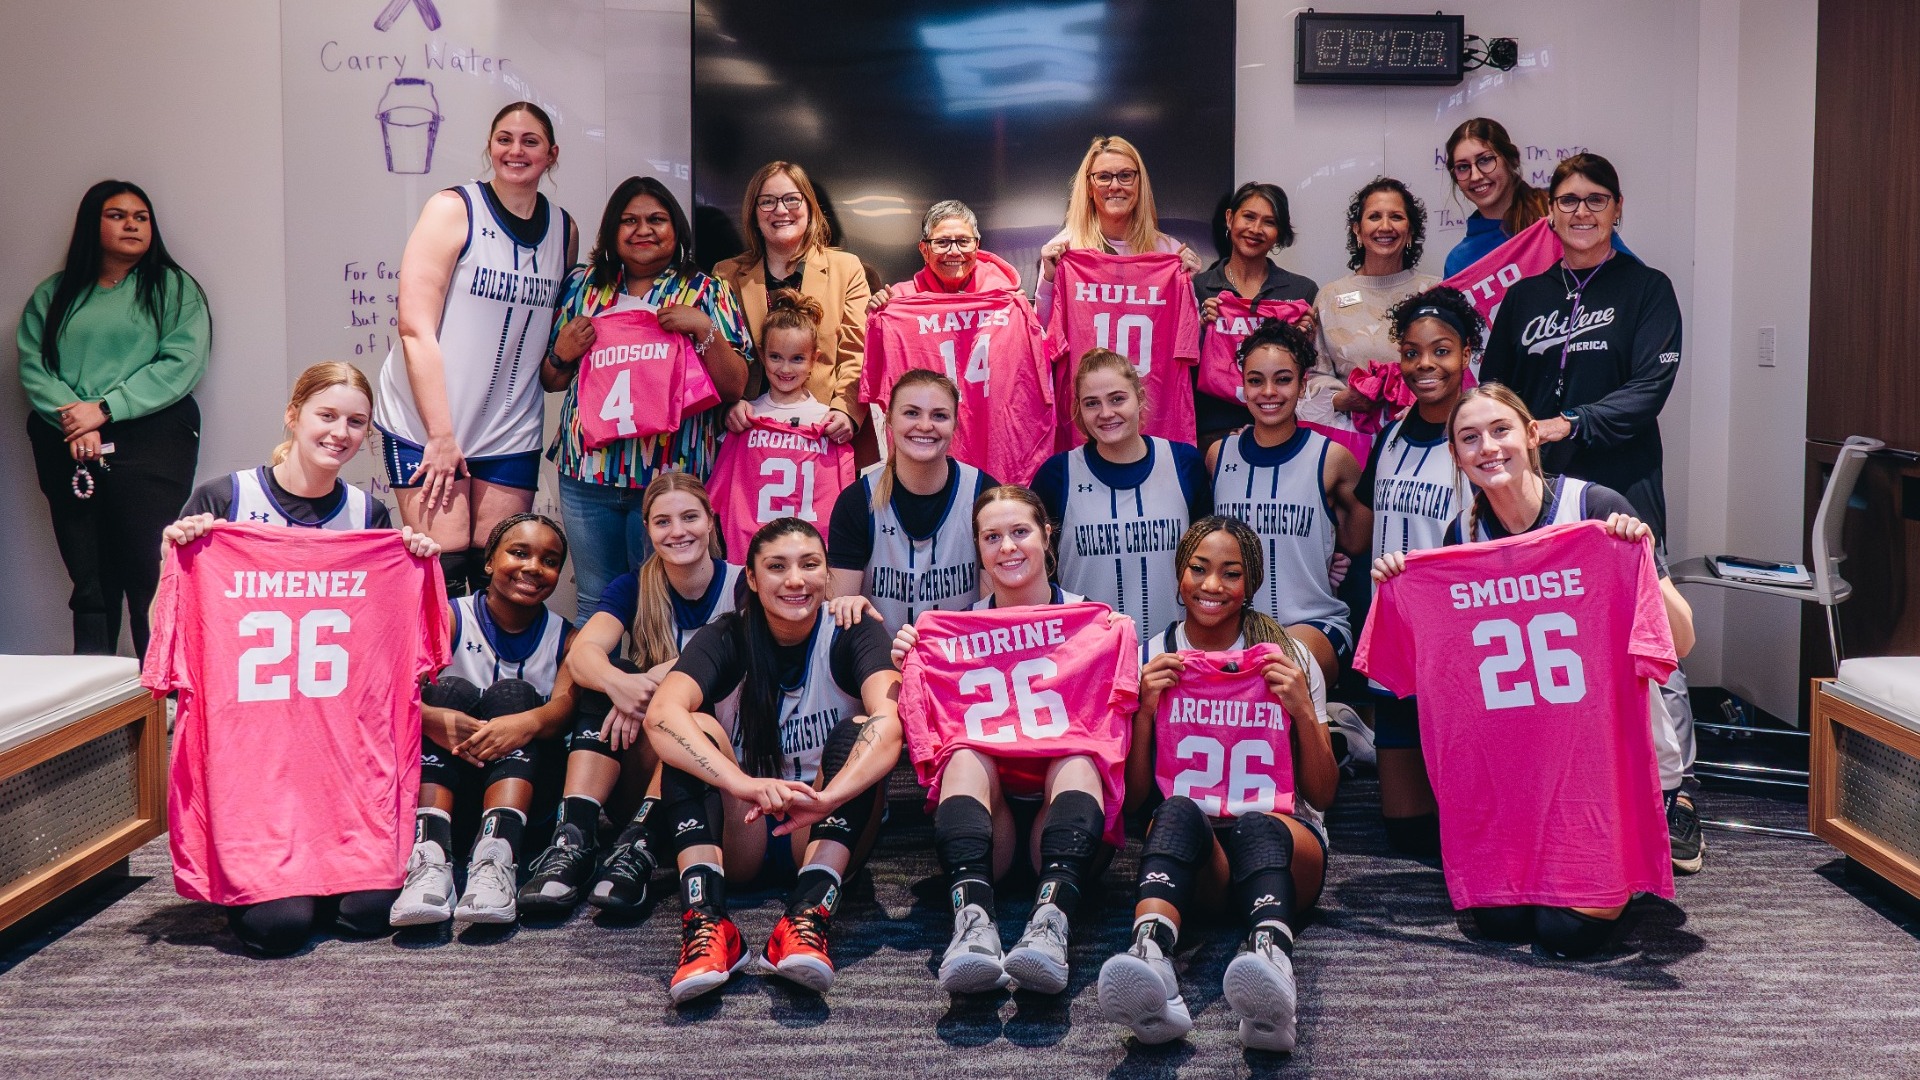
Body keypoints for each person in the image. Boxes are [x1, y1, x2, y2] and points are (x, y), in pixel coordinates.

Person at [1369, 385, 1693, 958]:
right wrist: (1402, 584)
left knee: (1566, 934)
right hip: (1517, 764)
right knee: (1501, 924)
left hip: (1601, 756)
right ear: (1456, 456)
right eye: (1469, 438)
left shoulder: (1595, 509)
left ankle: (1641, 838)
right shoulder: (1461, 537)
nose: (1488, 447)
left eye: (1501, 430)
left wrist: (1638, 555)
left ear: (1532, 434)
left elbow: (1682, 639)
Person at [164, 362, 441, 956]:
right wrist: (180, 549)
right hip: (253, 752)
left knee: (368, 915)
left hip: (338, 749)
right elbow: (180, 611)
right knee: (280, 929)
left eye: (356, 422)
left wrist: (412, 559)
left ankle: (322, 865)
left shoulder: (367, 516)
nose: (340, 432)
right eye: (327, 415)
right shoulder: (225, 499)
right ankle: (273, 873)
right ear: (293, 416)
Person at [1476, 154, 1700, 870]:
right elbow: (1494, 392)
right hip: (1534, 498)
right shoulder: (1525, 298)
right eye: (1569, 200)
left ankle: (1675, 795)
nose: (1581, 211)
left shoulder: (1647, 289)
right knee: (1543, 633)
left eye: (1595, 199)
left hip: (1620, 488)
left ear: (1617, 207)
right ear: (1550, 212)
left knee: (1646, 632)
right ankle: (1564, 784)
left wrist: (1568, 423)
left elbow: (1647, 392)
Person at [1098, 516, 1336, 1051]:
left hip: (1285, 849)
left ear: (1251, 583)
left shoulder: (1289, 657)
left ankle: (1272, 964)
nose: (1212, 586)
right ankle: (1151, 956)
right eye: (1199, 569)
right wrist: (1144, 713)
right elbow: (1134, 802)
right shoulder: (1151, 656)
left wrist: (1302, 709)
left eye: (1231, 573)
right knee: (1175, 810)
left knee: (1257, 824)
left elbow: (1323, 795)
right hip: (1198, 863)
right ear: (1179, 574)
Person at [645, 518, 901, 1002]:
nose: (795, 580)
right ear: (752, 577)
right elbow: (661, 716)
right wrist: (740, 782)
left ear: (828, 574)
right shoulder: (727, 634)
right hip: (745, 825)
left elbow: (892, 724)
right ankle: (707, 923)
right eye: (777, 567)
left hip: (824, 826)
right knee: (692, 730)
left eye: (810, 564)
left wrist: (830, 797)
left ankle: (807, 917)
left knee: (862, 730)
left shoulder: (853, 630)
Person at [890, 486, 1127, 995]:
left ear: (1047, 535)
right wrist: (913, 658)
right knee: (963, 756)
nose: (1008, 548)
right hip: (989, 826)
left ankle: (1052, 924)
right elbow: (923, 734)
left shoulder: (1097, 622)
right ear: (977, 548)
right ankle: (972, 923)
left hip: (1065, 826)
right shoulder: (951, 631)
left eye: (1020, 532)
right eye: (992, 537)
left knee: (1080, 755)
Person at [515, 473, 742, 916]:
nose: (678, 532)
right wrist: (621, 686)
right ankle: (574, 840)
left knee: (687, 715)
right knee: (608, 673)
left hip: (719, 772)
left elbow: (737, 654)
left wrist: (650, 687)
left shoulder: (742, 585)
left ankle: (639, 846)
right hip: (641, 775)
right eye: (663, 522)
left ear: (711, 521)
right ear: (648, 530)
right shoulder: (634, 585)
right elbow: (582, 656)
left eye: (690, 517)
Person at [376, 102, 577, 598]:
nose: (515, 150)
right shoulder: (453, 208)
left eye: (530, 141)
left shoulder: (564, 230)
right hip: (427, 423)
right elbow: (415, 328)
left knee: (501, 572)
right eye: (504, 139)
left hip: (510, 425)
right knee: (442, 567)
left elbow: (543, 341)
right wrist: (441, 436)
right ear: (490, 146)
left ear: (551, 154)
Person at [541, 176, 751, 616]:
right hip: (588, 474)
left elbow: (735, 386)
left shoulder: (706, 290)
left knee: (662, 604)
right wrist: (562, 353)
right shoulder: (583, 287)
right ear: (611, 231)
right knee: (595, 600)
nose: (643, 230)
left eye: (656, 219)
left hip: (670, 477)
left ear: (676, 228)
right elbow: (552, 380)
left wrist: (703, 328)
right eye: (629, 220)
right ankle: (600, 666)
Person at [18, 179, 208, 658]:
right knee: (90, 581)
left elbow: (181, 363)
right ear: (91, 224)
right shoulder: (54, 294)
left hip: (152, 438)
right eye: (117, 215)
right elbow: (34, 366)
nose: (132, 225)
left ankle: (160, 691)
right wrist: (75, 420)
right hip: (65, 440)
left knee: (149, 570)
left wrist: (101, 411)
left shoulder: (173, 287)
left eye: (141, 217)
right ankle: (93, 696)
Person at [391, 515, 577, 926]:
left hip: (528, 805)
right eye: (519, 553)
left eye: (549, 561)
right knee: (447, 691)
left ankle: (497, 857)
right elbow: (387, 693)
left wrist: (523, 724)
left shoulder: (567, 638)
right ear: (489, 562)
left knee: (515, 696)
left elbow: (563, 710)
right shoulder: (448, 617)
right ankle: (428, 858)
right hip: (451, 793)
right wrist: (429, 718)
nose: (533, 567)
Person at [1359, 286, 1486, 856]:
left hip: (1458, 639)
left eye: (1441, 351)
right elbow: (1363, 527)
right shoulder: (1388, 436)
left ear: (1467, 355)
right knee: (1406, 831)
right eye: (1412, 353)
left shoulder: (1483, 439)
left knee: (1467, 816)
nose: (1425, 365)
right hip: (1395, 636)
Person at [1206, 319, 1369, 682]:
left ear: (1302, 384)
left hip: (1314, 624)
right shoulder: (1218, 456)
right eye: (1255, 380)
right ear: (1242, 385)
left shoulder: (1332, 459)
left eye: (1282, 379)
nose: (1268, 392)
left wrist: (1328, 554)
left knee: (1276, 669)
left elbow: (1357, 543)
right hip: (1232, 630)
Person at [1033, 350, 1211, 640]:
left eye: (1117, 399)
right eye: (1092, 403)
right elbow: (1040, 573)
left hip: (1174, 650)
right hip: (1087, 654)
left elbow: (1209, 564)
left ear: (1139, 398)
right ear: (1079, 409)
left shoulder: (1184, 464)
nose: (1105, 413)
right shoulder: (1056, 475)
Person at [713, 162, 871, 456]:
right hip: (749, 441)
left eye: (791, 199)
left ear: (809, 206)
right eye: (767, 201)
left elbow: (858, 353)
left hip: (825, 438)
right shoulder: (726, 275)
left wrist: (845, 411)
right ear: (753, 213)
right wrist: (727, 408)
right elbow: (716, 355)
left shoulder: (847, 268)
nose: (780, 210)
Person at [828, 370, 996, 630]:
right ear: (889, 420)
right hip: (880, 655)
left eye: (939, 416)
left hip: (963, 653)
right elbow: (842, 618)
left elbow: (993, 613)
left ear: (955, 424)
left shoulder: (983, 495)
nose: (925, 426)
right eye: (911, 413)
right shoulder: (857, 501)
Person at [1308, 178, 1440, 433]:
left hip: (1425, 430)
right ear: (1357, 230)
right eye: (1374, 216)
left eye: (1396, 217)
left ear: (1410, 230)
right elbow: (1312, 376)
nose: (1385, 226)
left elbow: (1460, 369)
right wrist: (1342, 399)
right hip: (1350, 440)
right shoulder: (1330, 296)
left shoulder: (1436, 292)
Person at [1192, 182, 1319, 445]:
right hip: (1211, 434)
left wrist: (1305, 341)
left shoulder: (1301, 291)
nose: (1256, 229)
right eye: (1249, 217)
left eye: (1269, 222)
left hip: (1280, 434)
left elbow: (1312, 375)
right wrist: (1200, 329)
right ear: (1230, 218)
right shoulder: (1198, 287)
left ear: (1279, 232)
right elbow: (1180, 367)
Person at [1035, 136, 1204, 324]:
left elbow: (1187, 334)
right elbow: (1045, 330)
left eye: (1125, 176)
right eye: (1103, 177)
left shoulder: (1170, 251)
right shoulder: (1065, 250)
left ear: (1139, 184)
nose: (1115, 186)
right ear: (1089, 187)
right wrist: (1049, 280)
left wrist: (1185, 286)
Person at [1439, 118, 1552, 278]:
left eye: (1485, 160)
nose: (1476, 176)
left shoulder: (1555, 215)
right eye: (1463, 167)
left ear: (1511, 160)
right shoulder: (1459, 262)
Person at [867, 200, 1022, 310]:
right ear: (924, 250)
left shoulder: (1004, 294)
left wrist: (1020, 312)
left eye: (963, 241)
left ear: (976, 246)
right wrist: (876, 316)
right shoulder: (899, 299)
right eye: (942, 242)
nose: (954, 251)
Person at [727, 289, 833, 429]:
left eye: (797, 359)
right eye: (775, 357)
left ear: (814, 359)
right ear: (762, 355)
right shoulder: (745, 417)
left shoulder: (824, 420)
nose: (785, 369)